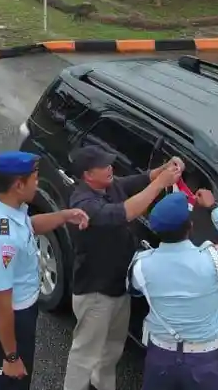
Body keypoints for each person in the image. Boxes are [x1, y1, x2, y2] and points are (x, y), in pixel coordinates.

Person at [62, 147, 183, 390]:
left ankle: (102, 384)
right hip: (96, 293)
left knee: (113, 348)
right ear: (87, 175)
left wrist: (165, 168)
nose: (111, 168)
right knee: (84, 355)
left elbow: (141, 179)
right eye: (104, 166)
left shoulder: (110, 185)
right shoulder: (84, 204)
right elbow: (126, 212)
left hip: (119, 286)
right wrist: (161, 183)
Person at [0, 151, 90, 390]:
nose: (38, 183)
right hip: (13, 316)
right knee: (11, 379)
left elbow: (29, 226)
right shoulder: (2, 242)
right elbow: (1, 306)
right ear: (19, 185)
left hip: (21, 311)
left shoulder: (7, 208)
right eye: (35, 178)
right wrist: (10, 357)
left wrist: (63, 216)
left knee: (15, 377)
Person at [129, 191, 218, 390]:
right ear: (190, 227)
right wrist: (214, 208)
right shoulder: (213, 260)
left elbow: (134, 289)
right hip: (205, 360)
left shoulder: (141, 265)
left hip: (160, 357)